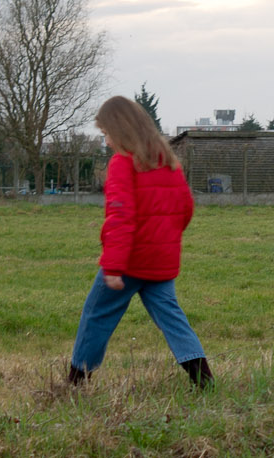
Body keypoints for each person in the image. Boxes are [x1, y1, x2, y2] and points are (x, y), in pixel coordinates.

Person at [69, 95, 212, 388]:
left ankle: (76, 382)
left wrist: (113, 266)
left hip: (129, 264)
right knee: (173, 319)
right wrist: (165, 240)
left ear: (119, 131)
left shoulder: (123, 163)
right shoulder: (169, 162)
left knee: (96, 315)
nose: (106, 141)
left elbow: (120, 216)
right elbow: (186, 208)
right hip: (161, 263)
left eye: (106, 134)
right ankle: (203, 378)